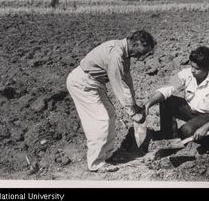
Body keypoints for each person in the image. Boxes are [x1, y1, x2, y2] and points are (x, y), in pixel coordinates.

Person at [66, 30, 156, 172]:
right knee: (101, 120)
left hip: (94, 84)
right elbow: (119, 87)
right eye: (141, 52)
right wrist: (132, 112)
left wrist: (134, 105)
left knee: (110, 114)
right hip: (82, 83)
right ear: (135, 43)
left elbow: (127, 81)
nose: (141, 56)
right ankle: (96, 163)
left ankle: (106, 156)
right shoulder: (116, 56)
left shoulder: (124, 52)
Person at [145, 46, 209, 142]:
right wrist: (148, 104)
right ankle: (168, 139)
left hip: (208, 116)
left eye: (197, 68)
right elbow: (167, 88)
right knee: (166, 101)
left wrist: (205, 128)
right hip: (190, 110)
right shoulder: (186, 73)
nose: (192, 70)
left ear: (207, 68)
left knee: (186, 131)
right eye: (191, 66)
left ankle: (208, 139)